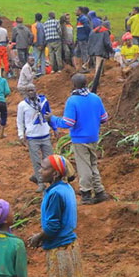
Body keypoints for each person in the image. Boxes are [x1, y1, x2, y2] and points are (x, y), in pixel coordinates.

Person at [51, 74, 109, 205]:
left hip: (80, 138)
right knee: (93, 163)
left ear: (73, 85)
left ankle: (86, 193)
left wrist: (53, 119)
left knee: (84, 166)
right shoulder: (95, 98)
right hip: (94, 136)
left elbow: (68, 122)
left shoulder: (72, 101)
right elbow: (104, 118)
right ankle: (99, 191)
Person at [29, 155, 83, 277]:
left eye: (44, 169)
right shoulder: (66, 188)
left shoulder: (55, 194)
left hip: (60, 249)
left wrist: (38, 237)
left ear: (55, 174)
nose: (40, 171)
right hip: (69, 245)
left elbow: (53, 227)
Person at [17, 85, 53, 192]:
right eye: (28, 91)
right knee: (36, 161)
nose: (31, 92)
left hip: (45, 135)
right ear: (26, 93)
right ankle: (41, 183)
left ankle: (49, 181)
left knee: (49, 160)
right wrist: (21, 135)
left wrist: (54, 128)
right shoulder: (22, 105)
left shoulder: (43, 101)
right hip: (32, 137)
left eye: (32, 90)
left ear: (36, 90)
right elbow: (20, 121)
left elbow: (49, 114)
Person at [73, 7, 92, 72]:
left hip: (83, 39)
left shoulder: (84, 19)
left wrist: (86, 37)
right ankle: (79, 68)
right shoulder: (79, 19)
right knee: (76, 52)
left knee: (84, 53)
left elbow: (87, 28)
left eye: (76, 10)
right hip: (79, 39)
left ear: (80, 11)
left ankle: (86, 67)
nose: (75, 12)